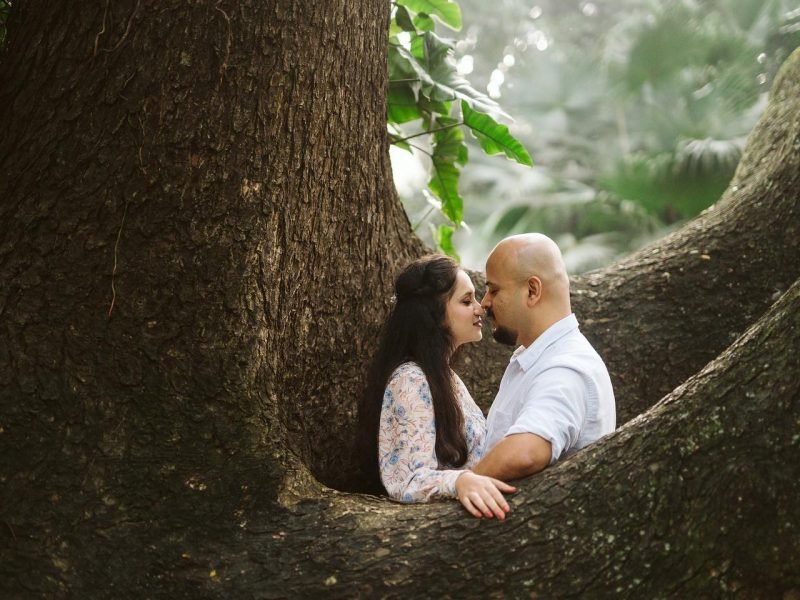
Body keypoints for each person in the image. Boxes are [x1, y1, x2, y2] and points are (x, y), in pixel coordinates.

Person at [358, 255, 516, 519]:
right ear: (434, 315)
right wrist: (459, 482)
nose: (480, 309)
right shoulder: (410, 380)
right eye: (466, 301)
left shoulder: (447, 378)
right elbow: (407, 479)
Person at [472, 233, 616, 481]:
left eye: (493, 290)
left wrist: (460, 486)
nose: (484, 303)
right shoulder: (539, 358)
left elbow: (526, 451)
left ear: (532, 290)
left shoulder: (566, 369)